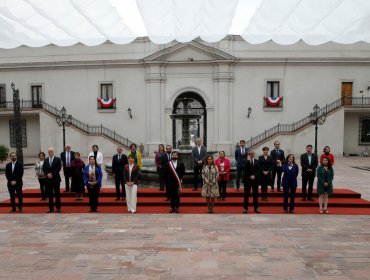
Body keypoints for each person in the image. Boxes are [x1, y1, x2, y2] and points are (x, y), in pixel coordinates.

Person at [43, 147, 62, 213]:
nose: (50, 153)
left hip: (56, 179)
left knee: (57, 194)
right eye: (49, 152)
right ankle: (51, 208)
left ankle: (58, 208)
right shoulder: (45, 160)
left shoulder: (58, 159)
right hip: (48, 180)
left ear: (53, 152)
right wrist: (47, 174)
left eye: (51, 151)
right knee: (50, 195)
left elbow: (59, 168)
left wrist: (52, 174)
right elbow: (44, 169)